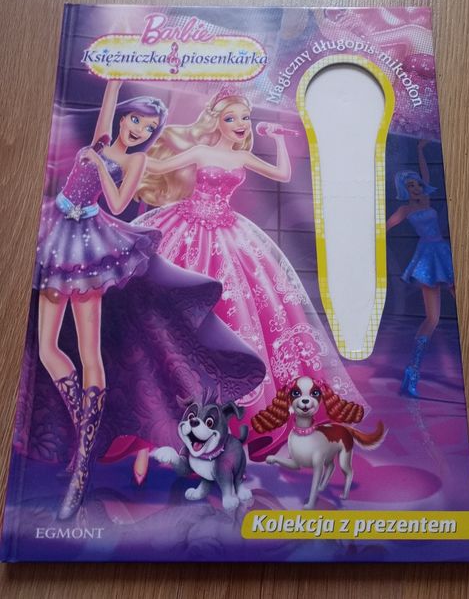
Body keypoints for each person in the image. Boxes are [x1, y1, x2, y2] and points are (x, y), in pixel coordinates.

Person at [33, 81, 265, 518]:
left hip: (91, 247)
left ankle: (83, 464)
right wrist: (114, 82)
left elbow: (117, 201)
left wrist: (100, 166)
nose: (140, 130)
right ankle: (85, 430)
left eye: (149, 127)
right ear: (124, 117)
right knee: (48, 349)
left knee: (88, 351)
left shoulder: (135, 159)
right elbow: (107, 109)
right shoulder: (102, 139)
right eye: (136, 120)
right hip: (57, 233)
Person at [132, 85, 367, 470]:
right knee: (178, 309)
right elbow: (156, 168)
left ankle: (231, 417)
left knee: (239, 310)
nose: (240, 124)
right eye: (231, 118)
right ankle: (171, 409)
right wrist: (131, 146)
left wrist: (278, 140)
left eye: (244, 117)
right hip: (188, 230)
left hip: (228, 235)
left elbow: (282, 173)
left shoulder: (242, 156)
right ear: (217, 122)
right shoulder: (200, 152)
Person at [386, 140, 454, 397]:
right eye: (410, 185)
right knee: (432, 319)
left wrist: (419, 151)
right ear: (404, 190)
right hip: (427, 257)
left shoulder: (426, 198)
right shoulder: (405, 209)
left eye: (416, 183)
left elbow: (426, 175)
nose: (415, 187)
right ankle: (412, 372)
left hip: (442, 253)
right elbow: (384, 228)